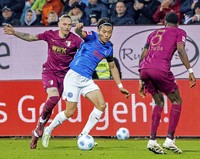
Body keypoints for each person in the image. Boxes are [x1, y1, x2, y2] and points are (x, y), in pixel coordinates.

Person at [41, 18, 130, 148]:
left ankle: (83, 134)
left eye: (109, 32)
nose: (107, 34)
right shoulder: (91, 37)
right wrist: (78, 28)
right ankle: (48, 130)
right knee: (70, 112)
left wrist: (120, 86)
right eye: (104, 31)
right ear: (98, 30)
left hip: (86, 80)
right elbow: (79, 32)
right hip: (73, 77)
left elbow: (113, 67)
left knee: (101, 105)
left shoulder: (109, 47)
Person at [3, 15, 82, 149]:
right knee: (54, 97)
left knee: (53, 104)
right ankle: (40, 126)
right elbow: (31, 37)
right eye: (65, 24)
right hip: (49, 72)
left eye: (69, 25)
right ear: (59, 24)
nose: (67, 27)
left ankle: (37, 131)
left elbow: (87, 49)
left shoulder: (75, 40)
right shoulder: (50, 35)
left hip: (65, 77)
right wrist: (15, 32)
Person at [138, 12, 196, 154]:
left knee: (158, 102)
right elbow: (181, 50)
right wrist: (190, 71)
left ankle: (152, 140)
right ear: (178, 23)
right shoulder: (179, 32)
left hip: (144, 69)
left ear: (164, 23)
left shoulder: (153, 33)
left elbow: (144, 54)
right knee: (177, 100)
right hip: (160, 69)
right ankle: (169, 139)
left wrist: (141, 80)